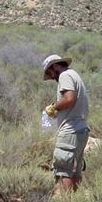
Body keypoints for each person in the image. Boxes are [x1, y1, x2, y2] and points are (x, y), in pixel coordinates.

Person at [42, 54, 90, 193]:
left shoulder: (65, 76)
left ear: (55, 66)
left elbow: (69, 99)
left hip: (70, 130)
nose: (51, 77)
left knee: (64, 169)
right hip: (80, 129)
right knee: (75, 171)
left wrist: (54, 107)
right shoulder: (74, 74)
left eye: (50, 72)